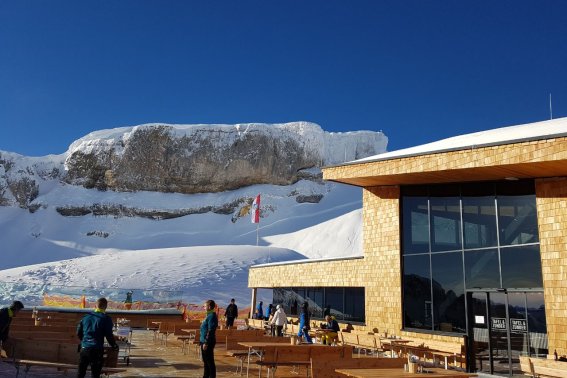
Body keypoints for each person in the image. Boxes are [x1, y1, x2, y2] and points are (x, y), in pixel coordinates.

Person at [77, 297, 119, 378]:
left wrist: (84, 341)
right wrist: (114, 345)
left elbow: (79, 333)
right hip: (97, 349)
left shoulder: (85, 317)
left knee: (80, 373)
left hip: (84, 348)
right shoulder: (106, 319)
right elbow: (109, 335)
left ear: (95, 306)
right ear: (106, 307)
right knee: (95, 374)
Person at [200, 299, 218, 378]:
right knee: (205, 361)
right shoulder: (208, 315)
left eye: (205, 306)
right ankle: (205, 376)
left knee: (209, 362)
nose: (203, 307)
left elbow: (210, 330)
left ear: (209, 306)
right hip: (203, 341)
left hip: (208, 342)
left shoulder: (212, 316)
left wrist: (206, 342)